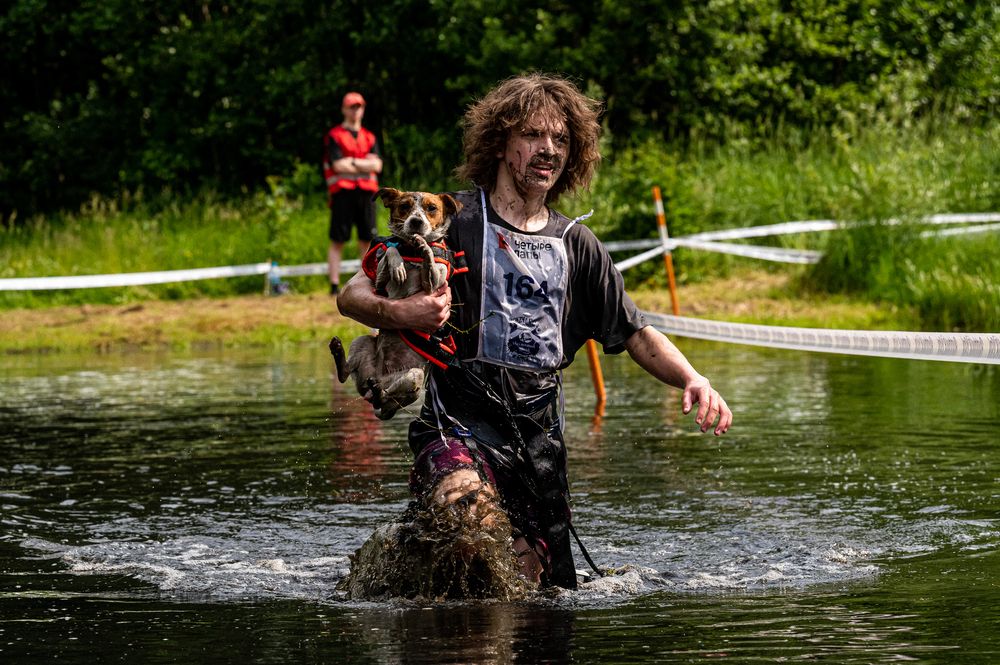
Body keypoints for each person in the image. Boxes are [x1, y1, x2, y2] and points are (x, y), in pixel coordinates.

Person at [338, 74, 732, 589]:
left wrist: (693, 379)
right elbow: (351, 295)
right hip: (455, 424)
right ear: (501, 143)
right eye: (532, 135)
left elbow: (636, 332)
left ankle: (411, 564)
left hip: (537, 440)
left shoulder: (577, 244)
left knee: (537, 588)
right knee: (469, 518)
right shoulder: (452, 220)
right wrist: (403, 313)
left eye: (561, 139)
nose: (548, 149)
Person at [323, 91, 384, 295]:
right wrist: (364, 163)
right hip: (343, 194)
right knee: (338, 239)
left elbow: (377, 165)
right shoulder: (335, 136)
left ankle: (365, 281)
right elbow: (338, 165)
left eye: (359, 107)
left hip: (367, 194)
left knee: (367, 240)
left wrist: (352, 162)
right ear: (344, 109)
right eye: (352, 107)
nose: (355, 110)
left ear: (363, 109)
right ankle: (334, 285)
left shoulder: (369, 137)